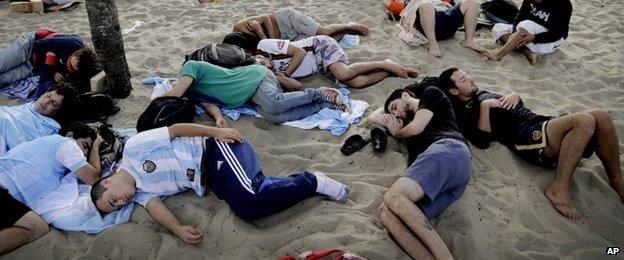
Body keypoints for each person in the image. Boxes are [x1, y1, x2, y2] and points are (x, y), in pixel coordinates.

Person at [90, 123, 350, 244]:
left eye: (114, 199)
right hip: (213, 177)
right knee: (247, 211)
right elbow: (156, 208)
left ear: (108, 179)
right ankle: (285, 185)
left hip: (215, 148)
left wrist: (216, 132)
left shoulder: (134, 150)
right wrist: (178, 229)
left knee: (251, 195)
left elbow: (176, 130)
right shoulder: (139, 193)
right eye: (117, 207)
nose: (122, 202)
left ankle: (312, 181)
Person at [438, 67, 624, 221]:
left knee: (602, 116)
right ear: (454, 91)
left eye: (467, 74)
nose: (470, 78)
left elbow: (512, 107)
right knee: (584, 120)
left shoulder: (480, 93)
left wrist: (515, 95)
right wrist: (485, 108)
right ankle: (558, 188)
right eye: (463, 79)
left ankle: (616, 179)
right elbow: (482, 141)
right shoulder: (463, 112)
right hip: (526, 135)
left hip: (537, 120)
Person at [367, 86, 471, 259]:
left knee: (393, 196)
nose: (397, 115)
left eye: (395, 107)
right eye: (394, 115)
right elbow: (371, 118)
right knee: (387, 213)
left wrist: (397, 132)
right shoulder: (408, 130)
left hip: (449, 149)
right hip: (446, 178)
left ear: (405, 94)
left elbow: (417, 127)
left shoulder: (431, 94)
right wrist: (390, 116)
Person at [0, 122, 103, 255]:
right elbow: (93, 178)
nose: (83, 154)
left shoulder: (45, 146)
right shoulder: (66, 143)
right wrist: (95, 147)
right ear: (70, 134)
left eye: (86, 151)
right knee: (38, 228)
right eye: (84, 145)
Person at [163, 60, 347, 125]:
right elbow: (209, 104)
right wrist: (218, 118)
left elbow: (176, 93)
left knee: (274, 103)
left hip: (255, 77)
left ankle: (320, 93)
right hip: (248, 97)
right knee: (274, 117)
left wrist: (160, 97)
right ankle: (324, 104)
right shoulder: (192, 92)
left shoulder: (190, 67)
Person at [253, 35, 420, 88]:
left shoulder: (264, 45)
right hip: (318, 67)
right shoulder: (268, 75)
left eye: (261, 63)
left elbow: (299, 52)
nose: (267, 67)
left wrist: (286, 72)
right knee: (356, 83)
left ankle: (383, 63)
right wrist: (280, 77)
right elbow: (297, 86)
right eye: (263, 70)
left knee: (343, 73)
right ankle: (389, 70)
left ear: (256, 56)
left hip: (318, 46)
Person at [0, 29, 100, 93]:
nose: (68, 66)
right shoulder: (71, 43)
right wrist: (52, 69)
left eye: (72, 68)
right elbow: (38, 45)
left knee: (3, 79)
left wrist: (53, 75)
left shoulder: (84, 68)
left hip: (33, 67)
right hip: (28, 47)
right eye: (70, 63)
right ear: (77, 53)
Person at [483, 0, 572, 65]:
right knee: (498, 27)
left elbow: (559, 34)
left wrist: (534, 37)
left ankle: (498, 55)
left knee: (527, 25)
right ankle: (526, 51)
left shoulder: (563, 4)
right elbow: (520, 17)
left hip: (548, 42)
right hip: (526, 34)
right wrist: (514, 32)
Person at [0, 83, 78, 156]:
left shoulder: (45, 134)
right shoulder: (27, 107)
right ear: (44, 93)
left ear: (58, 111)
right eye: (48, 96)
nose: (46, 102)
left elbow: (22, 151)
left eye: (53, 103)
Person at [398, 0, 484, 58]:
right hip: (427, 23)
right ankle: (433, 45)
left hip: (446, 18)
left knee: (471, 2)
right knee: (426, 4)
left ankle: (469, 41)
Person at [232, 8, 369, 42]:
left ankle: (350, 25)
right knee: (322, 40)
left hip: (283, 19)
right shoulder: (245, 46)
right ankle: (346, 32)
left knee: (324, 32)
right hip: (285, 38)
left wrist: (265, 35)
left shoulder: (239, 26)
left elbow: (266, 18)